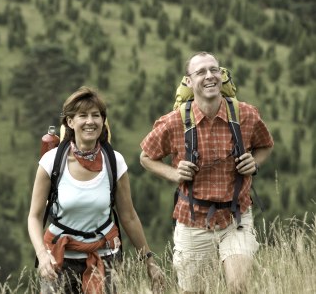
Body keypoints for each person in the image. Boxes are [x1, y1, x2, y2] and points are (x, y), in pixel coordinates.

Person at [140, 52, 274, 293]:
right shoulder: (174, 122)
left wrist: (254, 163)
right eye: (200, 72)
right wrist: (174, 174)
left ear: (221, 76)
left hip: (237, 217)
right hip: (193, 220)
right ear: (189, 82)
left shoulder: (246, 114)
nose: (209, 76)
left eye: (214, 70)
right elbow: (146, 157)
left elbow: (265, 145)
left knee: (238, 286)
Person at [28, 86, 165, 293]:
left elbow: (128, 217)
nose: (90, 121)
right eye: (82, 115)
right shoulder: (52, 162)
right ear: (70, 122)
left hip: (105, 257)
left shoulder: (114, 161)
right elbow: (34, 217)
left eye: (96, 115)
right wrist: (41, 254)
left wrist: (149, 263)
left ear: (103, 121)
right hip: (59, 258)